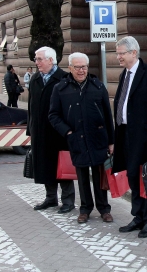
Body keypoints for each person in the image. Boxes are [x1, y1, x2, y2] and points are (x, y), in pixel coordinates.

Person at [49, 52, 115, 224]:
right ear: (70, 68)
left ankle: (104, 209)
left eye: (84, 67)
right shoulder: (61, 89)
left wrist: (111, 141)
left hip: (98, 139)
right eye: (77, 67)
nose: (81, 70)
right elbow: (53, 115)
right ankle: (85, 209)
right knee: (82, 176)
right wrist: (67, 132)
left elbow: (108, 116)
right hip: (76, 140)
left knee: (100, 176)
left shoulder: (98, 86)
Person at [112, 36, 147, 238]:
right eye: (117, 53)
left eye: (121, 53)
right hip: (125, 134)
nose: (118, 57)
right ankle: (138, 216)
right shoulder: (123, 74)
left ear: (133, 53)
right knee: (133, 177)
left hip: (145, 137)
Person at [27, 46, 76, 214]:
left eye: (39, 59)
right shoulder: (35, 79)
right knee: (45, 165)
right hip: (40, 132)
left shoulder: (64, 79)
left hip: (59, 133)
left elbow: (70, 109)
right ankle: (51, 198)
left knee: (62, 165)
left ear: (50, 60)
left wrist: (69, 131)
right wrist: (30, 129)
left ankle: (68, 200)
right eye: (36, 59)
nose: (36, 62)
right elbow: (30, 107)